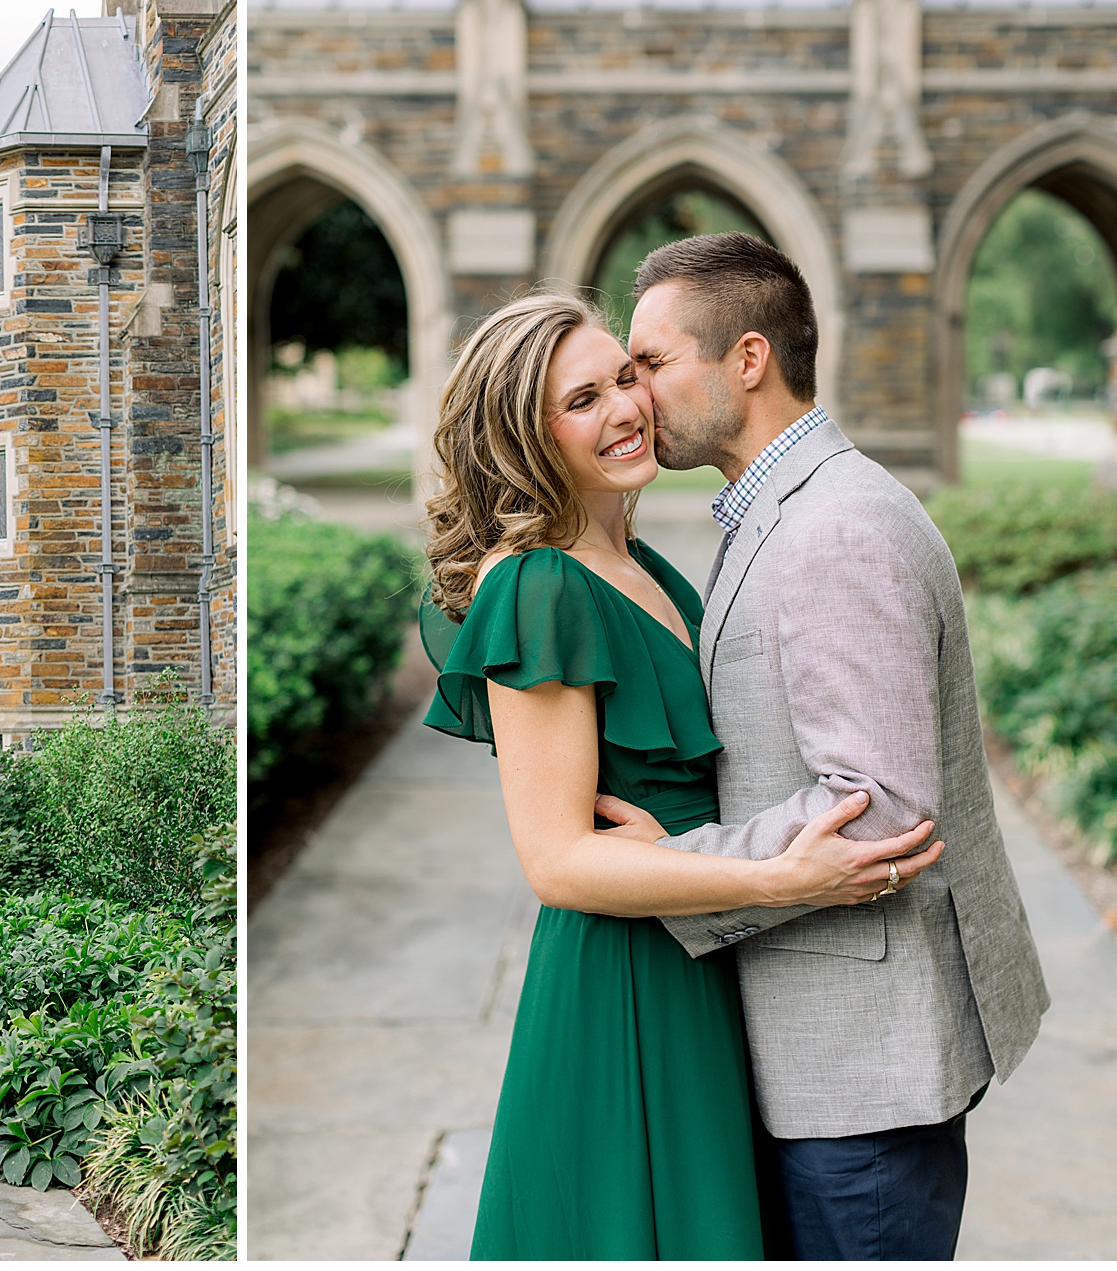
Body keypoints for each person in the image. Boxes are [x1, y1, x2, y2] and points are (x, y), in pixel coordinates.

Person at [420, 290, 944, 1259]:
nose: (625, 408)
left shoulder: (647, 562)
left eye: (626, 375)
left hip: (705, 952)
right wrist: (774, 877)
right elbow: (557, 860)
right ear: (522, 436)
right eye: (580, 400)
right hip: (625, 977)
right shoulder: (538, 585)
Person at [619, 232, 1048, 1260]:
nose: (636, 395)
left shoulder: (832, 528)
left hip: (858, 1071)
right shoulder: (777, 507)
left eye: (653, 363)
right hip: (829, 1054)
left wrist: (668, 870)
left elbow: (882, 811)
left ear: (749, 359)